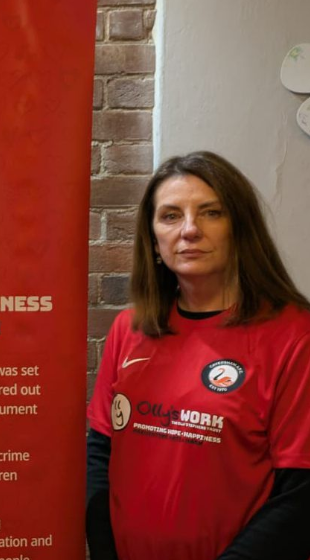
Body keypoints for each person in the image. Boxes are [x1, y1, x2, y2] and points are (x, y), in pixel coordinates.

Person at [86, 151, 310, 560]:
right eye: (170, 216)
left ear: (239, 228)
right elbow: (100, 453)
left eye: (211, 213)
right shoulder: (130, 328)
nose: (189, 230)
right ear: (154, 239)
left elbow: (300, 494)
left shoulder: (295, 335)